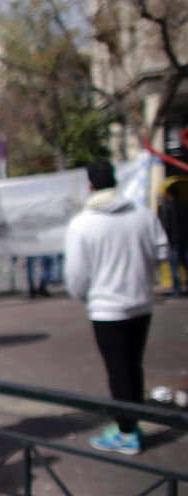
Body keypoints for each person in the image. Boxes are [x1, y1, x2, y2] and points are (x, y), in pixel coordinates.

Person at [65, 159, 168, 455]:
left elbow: (75, 276)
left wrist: (84, 295)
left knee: (118, 370)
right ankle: (131, 423)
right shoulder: (142, 215)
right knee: (132, 365)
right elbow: (162, 250)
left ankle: (126, 432)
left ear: (90, 185)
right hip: (141, 304)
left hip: (107, 309)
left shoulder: (83, 224)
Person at [159, 188, 187, 297]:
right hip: (184, 239)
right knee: (186, 263)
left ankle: (177, 289)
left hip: (173, 240)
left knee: (174, 265)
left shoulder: (167, 207)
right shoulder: (184, 205)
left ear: (169, 195)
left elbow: (165, 225)